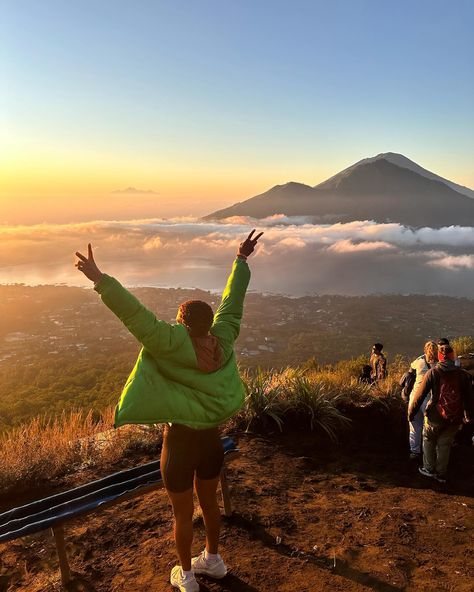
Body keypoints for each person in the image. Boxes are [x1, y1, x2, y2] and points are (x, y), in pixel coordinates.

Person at [75, 230, 263, 592]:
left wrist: (99, 279)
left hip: (179, 442)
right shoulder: (224, 337)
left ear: (181, 323)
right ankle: (214, 560)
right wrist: (241, 259)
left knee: (181, 513)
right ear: (209, 323)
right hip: (211, 440)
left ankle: (187, 577)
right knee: (208, 504)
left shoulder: (169, 341)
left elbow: (134, 313)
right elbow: (233, 301)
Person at [408, 344, 473, 484]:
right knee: (445, 444)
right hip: (455, 417)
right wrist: (468, 415)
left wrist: (411, 413)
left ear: (440, 356)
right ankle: (441, 473)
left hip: (434, 416)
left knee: (428, 439)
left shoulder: (433, 372)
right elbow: (469, 398)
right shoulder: (462, 375)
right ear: (453, 356)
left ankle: (428, 469)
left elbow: (419, 396)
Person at [407, 341, 438, 460]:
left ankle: (414, 452)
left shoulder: (419, 362)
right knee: (428, 428)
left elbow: (410, 369)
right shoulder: (438, 365)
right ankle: (428, 453)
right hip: (429, 399)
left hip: (415, 397)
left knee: (414, 426)